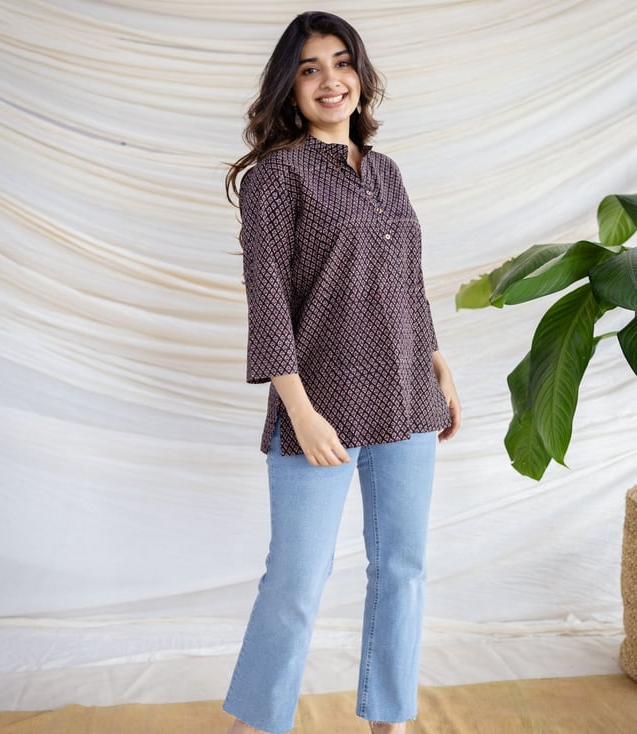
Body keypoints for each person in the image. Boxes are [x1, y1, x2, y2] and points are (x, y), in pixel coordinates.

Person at [222, 11, 461, 734]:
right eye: (309, 68)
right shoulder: (275, 177)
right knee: (296, 582)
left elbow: (408, 280)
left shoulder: (386, 172)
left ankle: (390, 720)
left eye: (341, 61)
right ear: (289, 88)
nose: (330, 80)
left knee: (403, 569)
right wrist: (298, 410)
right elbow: (267, 301)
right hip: (318, 407)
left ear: (361, 74)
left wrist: (438, 364)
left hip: (408, 396)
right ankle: (256, 724)